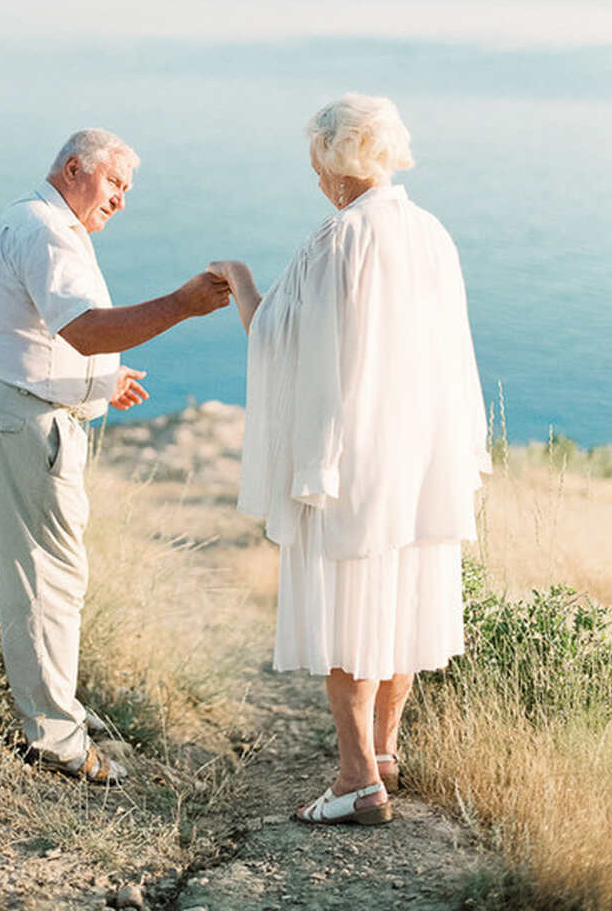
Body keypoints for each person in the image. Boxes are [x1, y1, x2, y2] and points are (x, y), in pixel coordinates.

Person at [209, 93, 491, 826]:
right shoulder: (432, 233)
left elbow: (282, 345)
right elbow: (453, 355)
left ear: (332, 158)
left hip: (357, 463)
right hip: (422, 457)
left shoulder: (339, 239)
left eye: (314, 154)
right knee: (399, 608)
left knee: (350, 620)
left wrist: (240, 279)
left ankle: (357, 780)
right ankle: (387, 752)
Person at [0, 128, 230, 786]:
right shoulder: (48, 232)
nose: (121, 200)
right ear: (74, 168)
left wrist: (98, 383)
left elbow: (40, 333)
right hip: (26, 420)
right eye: (114, 183)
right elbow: (83, 329)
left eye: (126, 190)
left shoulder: (41, 223)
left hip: (26, 408)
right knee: (44, 581)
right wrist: (183, 305)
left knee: (51, 576)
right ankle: (52, 739)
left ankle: (53, 712)